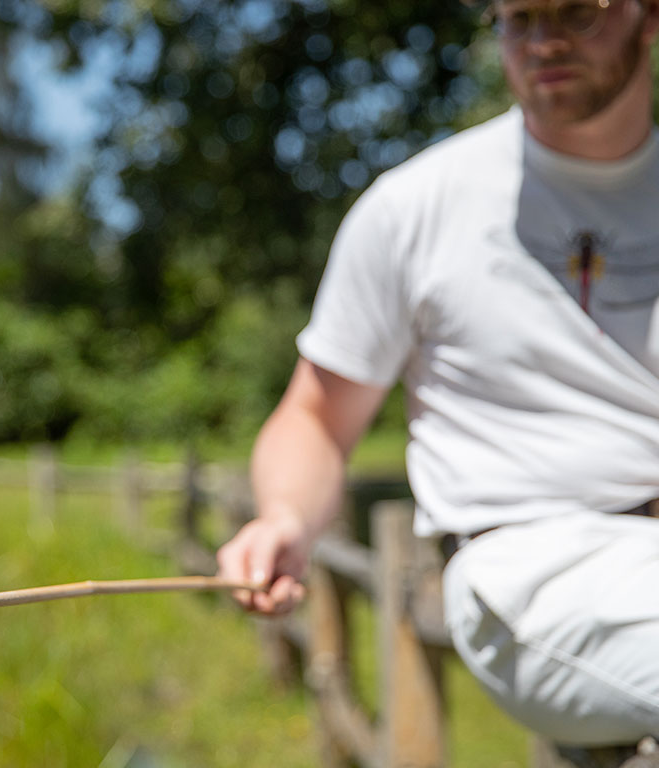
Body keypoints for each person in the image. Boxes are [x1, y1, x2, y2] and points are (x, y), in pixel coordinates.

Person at [217, 0, 659, 746]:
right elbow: (317, 417)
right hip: (529, 568)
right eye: (517, 18)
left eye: (577, 11)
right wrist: (287, 516)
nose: (543, 40)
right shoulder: (415, 207)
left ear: (648, 15)